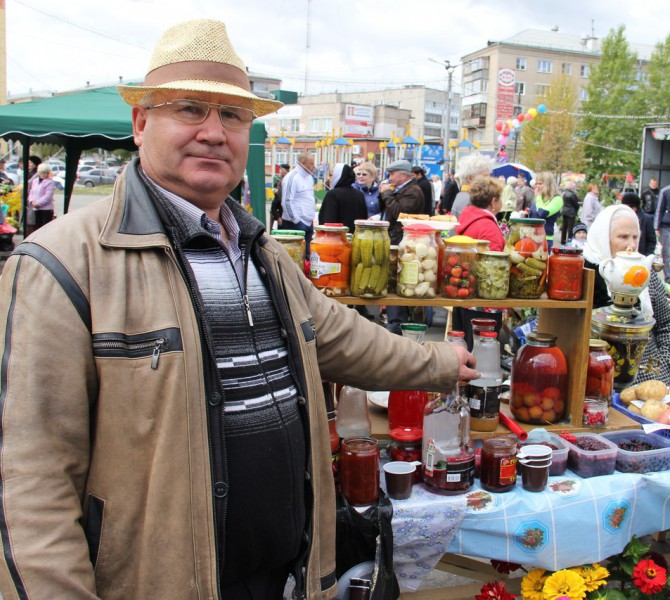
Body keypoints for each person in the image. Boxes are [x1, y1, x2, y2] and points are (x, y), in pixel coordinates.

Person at [0, 19, 478, 599]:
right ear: (140, 122)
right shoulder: (62, 264)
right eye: (189, 109)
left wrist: (441, 362)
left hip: (286, 580)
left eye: (231, 115)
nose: (213, 131)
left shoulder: (262, 252)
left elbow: (342, 338)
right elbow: (29, 486)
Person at [584, 205, 670, 385]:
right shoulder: (583, 274)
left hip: (650, 381)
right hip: (594, 383)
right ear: (603, 238)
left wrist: (668, 367)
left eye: (635, 237)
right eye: (623, 237)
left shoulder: (643, 275)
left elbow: (667, 326)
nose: (631, 244)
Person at [380, 159, 427, 334]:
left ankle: (396, 323)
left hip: (401, 240)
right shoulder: (402, 189)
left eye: (392, 174)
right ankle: (395, 320)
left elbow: (400, 213)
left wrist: (386, 195)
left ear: (403, 175)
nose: (390, 177)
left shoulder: (413, 191)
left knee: (399, 279)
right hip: (396, 238)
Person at [281, 152, 317, 259]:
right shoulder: (292, 177)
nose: (313, 166)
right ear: (303, 163)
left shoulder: (309, 178)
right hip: (295, 224)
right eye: (311, 163)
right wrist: (296, 220)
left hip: (308, 221)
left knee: (307, 255)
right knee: (295, 256)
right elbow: (287, 202)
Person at [454, 175, 505, 251]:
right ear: (493, 201)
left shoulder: (468, 216)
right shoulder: (488, 227)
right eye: (500, 197)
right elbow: (494, 260)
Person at [317, 163, 367, 233]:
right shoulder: (359, 194)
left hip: (337, 239)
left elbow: (327, 221)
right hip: (356, 237)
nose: (329, 178)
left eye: (332, 175)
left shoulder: (333, 194)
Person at [450, 154, 492, 218]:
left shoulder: (461, 195)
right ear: (470, 178)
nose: (489, 180)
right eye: (485, 176)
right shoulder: (473, 201)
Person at [531, 171, 563, 250]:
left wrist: (538, 198)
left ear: (548, 185)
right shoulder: (539, 198)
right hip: (531, 237)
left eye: (540, 184)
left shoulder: (557, 199)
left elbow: (543, 213)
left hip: (545, 239)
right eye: (536, 183)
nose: (537, 186)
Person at [27, 163, 55, 232]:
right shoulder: (35, 181)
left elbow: (48, 196)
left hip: (46, 209)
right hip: (36, 209)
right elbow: (31, 192)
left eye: (47, 173)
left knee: (45, 227)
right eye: (43, 173)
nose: (45, 174)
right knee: (37, 227)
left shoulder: (50, 182)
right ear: (39, 173)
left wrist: (38, 203)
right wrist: (31, 201)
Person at [269, 162, 290, 229]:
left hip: (284, 212)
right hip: (280, 211)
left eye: (281, 169)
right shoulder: (279, 181)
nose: (280, 171)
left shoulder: (287, 181)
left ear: (284, 170)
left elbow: (277, 199)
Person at [560, 181, 580, 246]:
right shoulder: (572, 194)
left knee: (564, 226)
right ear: (572, 187)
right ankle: (569, 240)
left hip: (564, 211)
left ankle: (562, 240)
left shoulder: (564, 193)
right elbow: (576, 204)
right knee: (570, 227)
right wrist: (576, 209)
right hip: (571, 212)